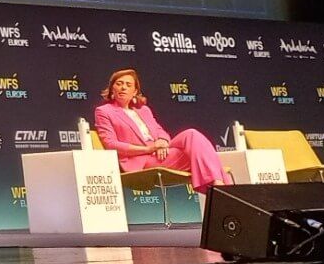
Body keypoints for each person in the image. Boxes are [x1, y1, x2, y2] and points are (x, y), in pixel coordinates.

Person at [93, 68, 229, 194]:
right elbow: (111, 144)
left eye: (128, 85)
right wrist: (150, 149)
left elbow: (160, 131)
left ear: (135, 92)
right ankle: (221, 189)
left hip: (159, 152)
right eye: (119, 83)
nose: (123, 87)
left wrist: (162, 142)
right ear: (112, 89)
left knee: (191, 134)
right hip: (141, 160)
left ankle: (218, 189)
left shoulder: (143, 110)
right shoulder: (104, 111)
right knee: (202, 157)